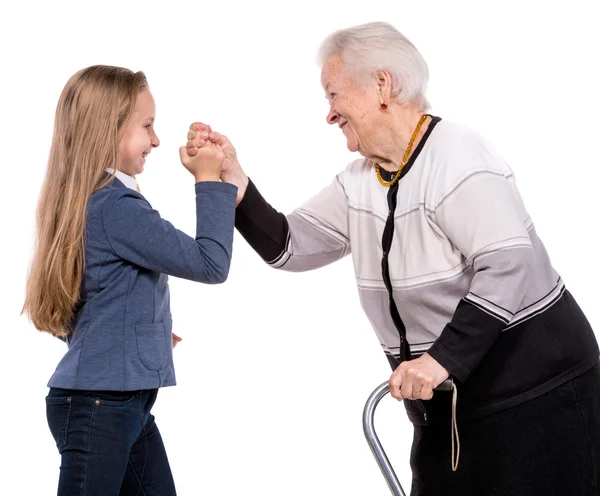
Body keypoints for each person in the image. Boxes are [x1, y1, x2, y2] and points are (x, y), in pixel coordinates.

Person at [186, 22, 600, 496]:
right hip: (445, 409)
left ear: (382, 85)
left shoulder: (458, 158)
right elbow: (290, 245)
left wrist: (438, 361)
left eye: (334, 94)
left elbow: (509, 265)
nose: (329, 113)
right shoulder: (361, 180)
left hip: (536, 394)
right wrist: (234, 183)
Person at [22, 65, 237, 495]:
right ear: (108, 129)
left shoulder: (98, 200)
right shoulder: (115, 205)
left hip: (122, 403)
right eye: (147, 126)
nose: (156, 141)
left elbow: (101, 294)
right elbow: (210, 263)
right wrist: (208, 178)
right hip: (101, 407)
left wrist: (151, 332)